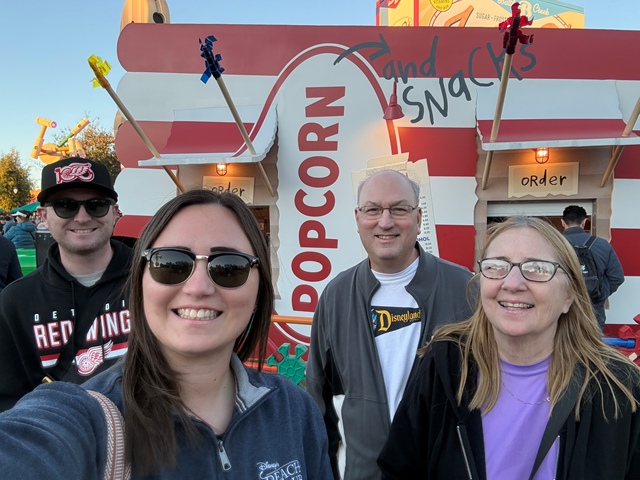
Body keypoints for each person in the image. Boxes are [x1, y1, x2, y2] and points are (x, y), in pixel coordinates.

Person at [0, 189, 332, 479]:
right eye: (171, 263)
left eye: (229, 267)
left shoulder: (293, 410)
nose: (198, 287)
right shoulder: (89, 417)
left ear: (259, 289)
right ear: (140, 283)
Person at [378, 216, 640, 479]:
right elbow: (399, 469)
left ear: (569, 295)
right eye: (496, 266)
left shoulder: (619, 387)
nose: (512, 283)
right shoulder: (445, 365)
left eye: (537, 268)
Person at [307, 169, 474, 479]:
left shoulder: (465, 289)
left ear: (418, 217)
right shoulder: (336, 296)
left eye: (399, 209)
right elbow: (319, 398)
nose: (385, 222)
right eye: (373, 210)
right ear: (358, 218)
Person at [0, 157, 132, 411]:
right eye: (65, 206)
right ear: (43, 216)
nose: (82, 218)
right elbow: (9, 405)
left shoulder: (154, 281)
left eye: (96, 205)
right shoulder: (14, 303)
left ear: (114, 212)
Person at [561, 205, 624, 329]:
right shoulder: (602, 244)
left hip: (562, 309)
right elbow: (617, 278)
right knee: (592, 341)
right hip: (594, 310)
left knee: (561, 341)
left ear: (563, 222)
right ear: (584, 221)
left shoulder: (552, 244)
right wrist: (599, 295)